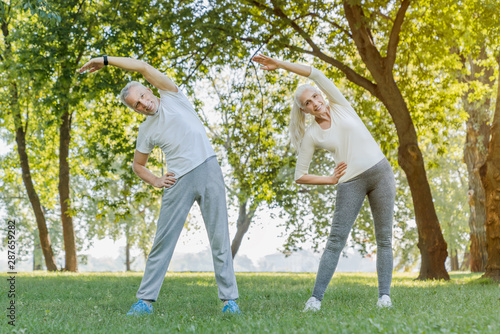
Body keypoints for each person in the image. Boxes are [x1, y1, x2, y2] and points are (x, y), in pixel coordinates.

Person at [79, 56, 240, 315]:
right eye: (137, 105)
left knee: (220, 238)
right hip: (177, 181)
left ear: (149, 89)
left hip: (209, 169)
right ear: (135, 110)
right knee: (162, 242)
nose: (143, 103)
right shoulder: (146, 130)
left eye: (142, 95)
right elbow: (138, 165)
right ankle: (145, 301)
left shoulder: (173, 96)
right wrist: (155, 179)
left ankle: (229, 301)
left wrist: (105, 60)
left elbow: (141, 66)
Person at [252, 54, 396, 310]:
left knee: (384, 239)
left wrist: (281, 64)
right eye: (308, 103)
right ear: (304, 110)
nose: (315, 103)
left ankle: (384, 297)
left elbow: (315, 73)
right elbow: (300, 175)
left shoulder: (339, 104)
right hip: (350, 182)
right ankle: (315, 300)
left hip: (381, 173)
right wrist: (330, 180)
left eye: (315, 97)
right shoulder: (312, 134)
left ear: (320, 95)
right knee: (335, 241)